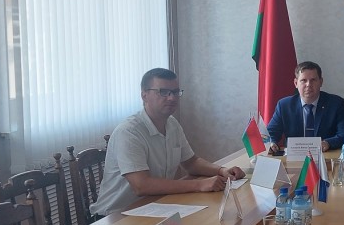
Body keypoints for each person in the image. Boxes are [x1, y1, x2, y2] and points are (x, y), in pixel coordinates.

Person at [91, 68, 246, 216]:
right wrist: (200, 184)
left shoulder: (172, 124)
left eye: (175, 92)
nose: (171, 98)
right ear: (144, 95)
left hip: (156, 205)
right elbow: (141, 186)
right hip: (116, 215)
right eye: (163, 92)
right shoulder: (129, 132)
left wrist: (222, 171)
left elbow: (191, 162)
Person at [267, 61, 344, 152]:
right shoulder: (284, 105)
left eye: (313, 80)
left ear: (321, 82)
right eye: (303, 80)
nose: (308, 84)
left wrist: (328, 143)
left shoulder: (335, 104)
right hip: (294, 157)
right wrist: (272, 142)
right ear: (296, 83)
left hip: (325, 156)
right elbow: (269, 134)